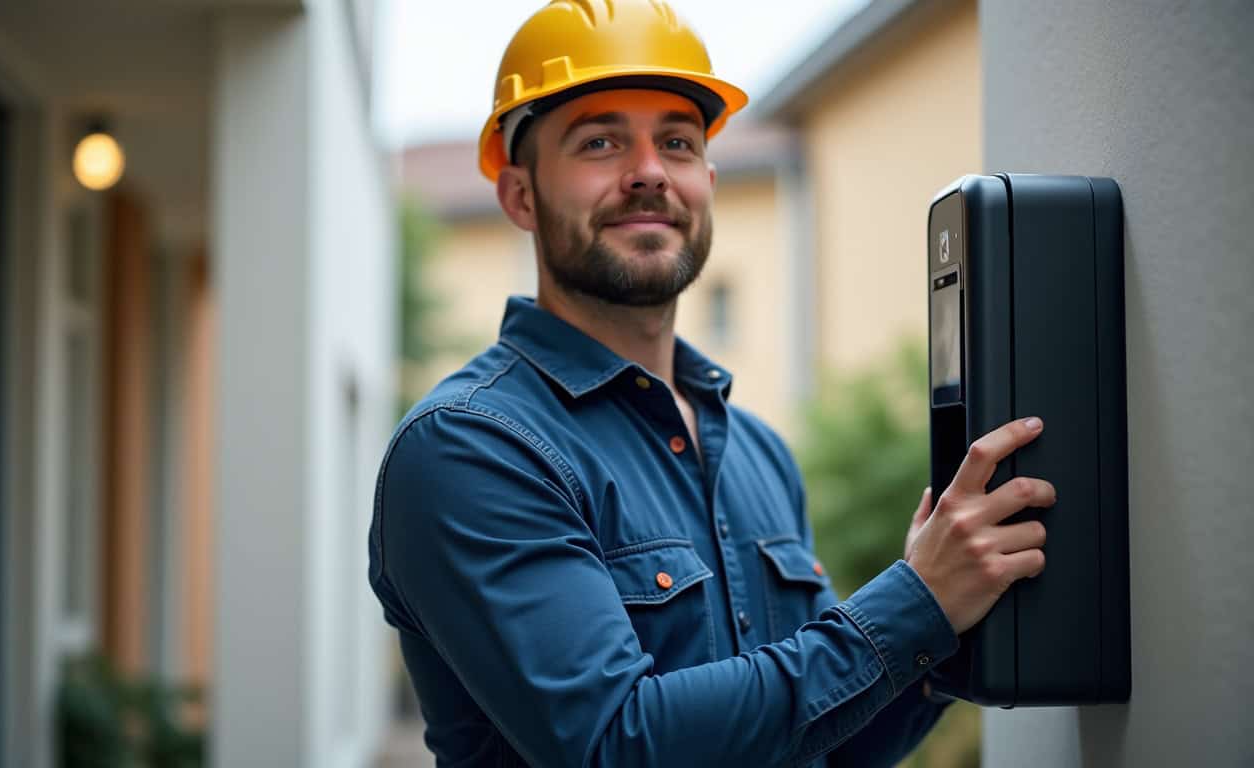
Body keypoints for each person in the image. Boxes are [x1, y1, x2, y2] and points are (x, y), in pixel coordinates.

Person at [368, 1, 1056, 765]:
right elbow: (615, 745)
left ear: (707, 181)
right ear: (520, 195)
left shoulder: (758, 452)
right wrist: (912, 606)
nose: (649, 173)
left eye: (677, 142)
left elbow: (825, 744)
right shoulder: (472, 448)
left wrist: (948, 626)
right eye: (600, 141)